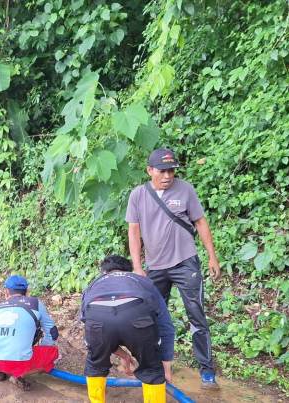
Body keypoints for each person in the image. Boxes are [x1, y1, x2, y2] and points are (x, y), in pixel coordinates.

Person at [125, 147, 221, 388]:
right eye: (162, 171)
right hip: (155, 267)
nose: (168, 176)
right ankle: (158, 364)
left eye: (172, 171)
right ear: (150, 171)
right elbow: (134, 231)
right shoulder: (138, 195)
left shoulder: (185, 189)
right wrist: (137, 266)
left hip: (185, 261)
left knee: (197, 315)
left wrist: (212, 256)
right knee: (154, 318)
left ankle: (207, 369)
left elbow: (200, 221)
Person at [81, 255, 175, 403]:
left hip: (97, 316)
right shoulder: (142, 281)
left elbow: (97, 330)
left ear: (103, 272)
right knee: (151, 368)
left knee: (95, 364)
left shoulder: (93, 285)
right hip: (137, 314)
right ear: (129, 271)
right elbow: (166, 326)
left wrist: (123, 355)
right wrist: (165, 368)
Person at [0, 275, 59, 391]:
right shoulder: (35, 303)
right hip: (21, 362)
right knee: (54, 353)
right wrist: (43, 350)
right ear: (27, 291)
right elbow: (52, 332)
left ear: (6, 292)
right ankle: (18, 375)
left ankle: (0, 371)